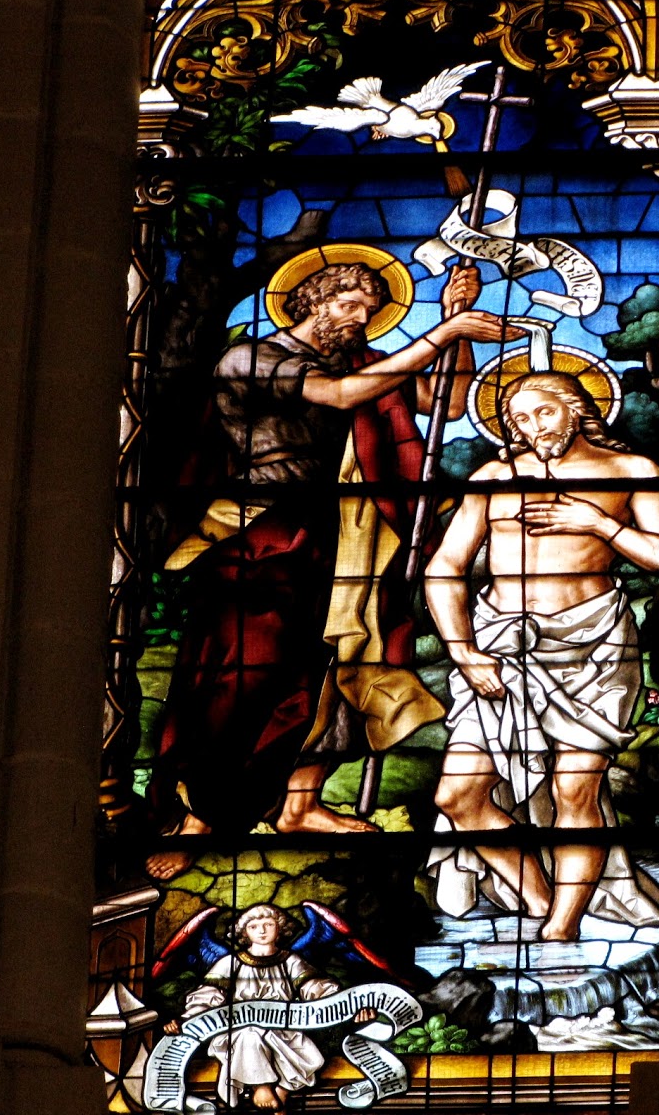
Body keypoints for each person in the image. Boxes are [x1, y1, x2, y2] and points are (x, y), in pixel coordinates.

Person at [147, 259, 510, 879]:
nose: (360, 319)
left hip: (342, 538)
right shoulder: (252, 358)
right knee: (240, 674)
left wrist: (457, 321)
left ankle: (300, 804)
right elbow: (338, 396)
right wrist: (444, 333)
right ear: (312, 299)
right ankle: (198, 817)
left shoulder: (364, 364)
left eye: (369, 310)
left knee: (337, 667)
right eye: (349, 305)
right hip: (258, 531)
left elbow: (446, 403)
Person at [425, 371, 659, 941]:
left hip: (594, 647)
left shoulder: (631, 471)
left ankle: (562, 925)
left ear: (577, 410)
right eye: (520, 419)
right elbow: (445, 567)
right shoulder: (494, 478)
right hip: (498, 647)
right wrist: (463, 650)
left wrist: (599, 524)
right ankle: (537, 897)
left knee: (573, 790)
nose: (533, 427)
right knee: (458, 795)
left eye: (544, 413)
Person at [167, 905, 369, 1112]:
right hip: (238, 1032)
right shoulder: (229, 963)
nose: (262, 931)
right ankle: (261, 1086)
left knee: (306, 1054)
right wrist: (185, 1020)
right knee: (250, 1035)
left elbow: (316, 989)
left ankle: (282, 1090)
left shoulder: (291, 961)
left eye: (268, 924)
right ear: (244, 933)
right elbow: (207, 997)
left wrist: (349, 1008)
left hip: (283, 1030)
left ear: (280, 928)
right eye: (254, 926)